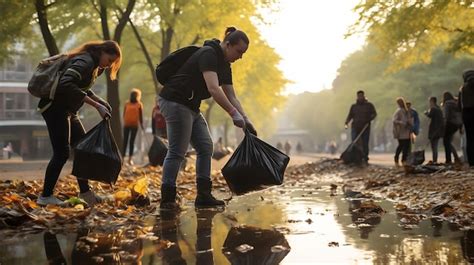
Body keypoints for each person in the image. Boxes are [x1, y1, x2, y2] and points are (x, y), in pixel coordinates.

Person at [158, 27, 257, 210]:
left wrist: (246, 118)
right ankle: (167, 199)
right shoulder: (208, 54)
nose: (240, 56)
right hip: (174, 101)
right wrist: (233, 114)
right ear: (228, 45)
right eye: (239, 51)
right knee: (177, 151)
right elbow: (213, 88)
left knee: (205, 146)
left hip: (191, 105)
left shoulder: (225, 65)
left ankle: (203, 195)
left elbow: (232, 96)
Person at [36, 40, 122, 206]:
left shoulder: (94, 65)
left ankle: (85, 193)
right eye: (109, 60)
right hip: (54, 108)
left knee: (83, 150)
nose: (109, 65)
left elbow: (80, 86)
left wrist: (99, 100)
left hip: (68, 109)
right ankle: (45, 196)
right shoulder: (85, 61)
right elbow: (66, 83)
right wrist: (96, 105)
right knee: (62, 153)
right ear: (102, 51)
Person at [344, 90, 377, 163]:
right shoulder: (354, 106)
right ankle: (356, 157)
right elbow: (350, 116)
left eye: (361, 96)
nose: (360, 97)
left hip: (365, 127)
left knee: (365, 143)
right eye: (359, 96)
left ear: (364, 96)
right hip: (355, 127)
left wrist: (370, 119)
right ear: (357, 97)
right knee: (354, 142)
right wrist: (346, 123)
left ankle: (365, 157)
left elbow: (374, 114)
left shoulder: (369, 105)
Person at [122, 88, 144, 165]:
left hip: (129, 124)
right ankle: (127, 159)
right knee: (129, 141)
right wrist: (142, 125)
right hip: (132, 125)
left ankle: (125, 158)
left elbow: (124, 114)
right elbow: (140, 117)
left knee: (127, 141)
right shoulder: (137, 104)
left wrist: (124, 121)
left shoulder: (129, 104)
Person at [442, 91, 462, 164]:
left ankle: (448, 159)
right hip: (457, 124)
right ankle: (456, 158)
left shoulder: (447, 104)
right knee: (448, 141)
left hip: (450, 123)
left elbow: (446, 116)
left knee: (446, 142)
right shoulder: (456, 103)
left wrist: (444, 125)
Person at [458, 69, 474, 166]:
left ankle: (472, 162)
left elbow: (459, 106)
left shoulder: (462, 88)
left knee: (470, 138)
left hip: (467, 114)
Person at [392, 97, 413, 166]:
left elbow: (410, 119)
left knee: (406, 147)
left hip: (407, 131)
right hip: (401, 132)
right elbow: (394, 120)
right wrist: (401, 123)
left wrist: (409, 123)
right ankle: (396, 159)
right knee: (401, 146)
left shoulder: (407, 111)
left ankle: (404, 160)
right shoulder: (398, 111)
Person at [424, 96, 444, 164]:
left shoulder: (433, 108)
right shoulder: (439, 109)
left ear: (432, 101)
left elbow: (430, 115)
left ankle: (434, 160)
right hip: (438, 130)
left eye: (430, 101)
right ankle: (435, 160)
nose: (429, 103)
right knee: (435, 145)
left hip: (433, 130)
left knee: (434, 146)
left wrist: (426, 113)